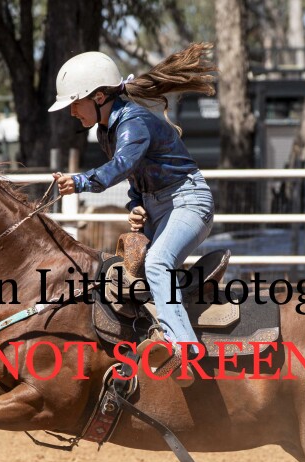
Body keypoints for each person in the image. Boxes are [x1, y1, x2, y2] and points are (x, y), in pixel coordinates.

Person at [50, 44, 217, 387]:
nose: (72, 112)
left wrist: (79, 182)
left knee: (156, 263)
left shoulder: (133, 123)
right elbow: (135, 175)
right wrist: (137, 205)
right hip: (162, 206)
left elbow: (122, 165)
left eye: (75, 103)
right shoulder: (107, 130)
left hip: (188, 202)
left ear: (98, 97)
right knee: (131, 274)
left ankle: (186, 350)